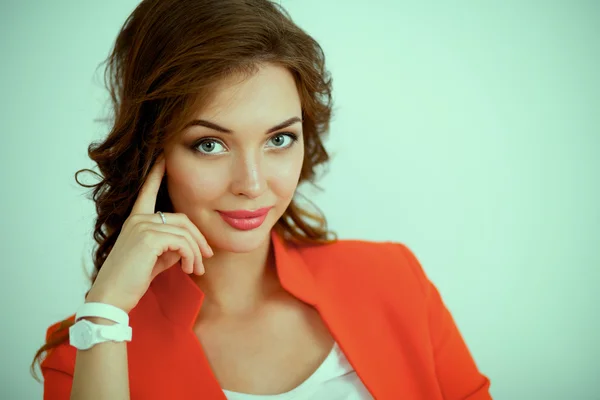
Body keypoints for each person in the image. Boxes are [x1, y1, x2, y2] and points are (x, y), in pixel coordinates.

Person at [31, 0, 492, 399]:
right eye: (210, 144)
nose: (251, 183)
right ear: (153, 151)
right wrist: (106, 309)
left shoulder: (394, 280)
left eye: (279, 139)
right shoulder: (89, 349)